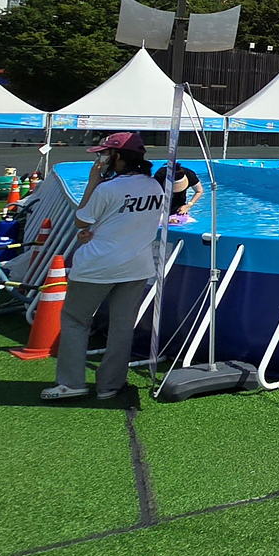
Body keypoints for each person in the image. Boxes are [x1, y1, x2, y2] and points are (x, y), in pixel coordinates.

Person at [44, 133, 165, 402]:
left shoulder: (107, 188)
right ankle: (110, 385)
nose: (100, 159)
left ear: (117, 157)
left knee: (76, 321)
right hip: (137, 267)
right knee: (122, 327)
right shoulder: (155, 187)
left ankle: (71, 383)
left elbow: (81, 220)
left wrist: (92, 182)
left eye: (104, 153)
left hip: (97, 266)